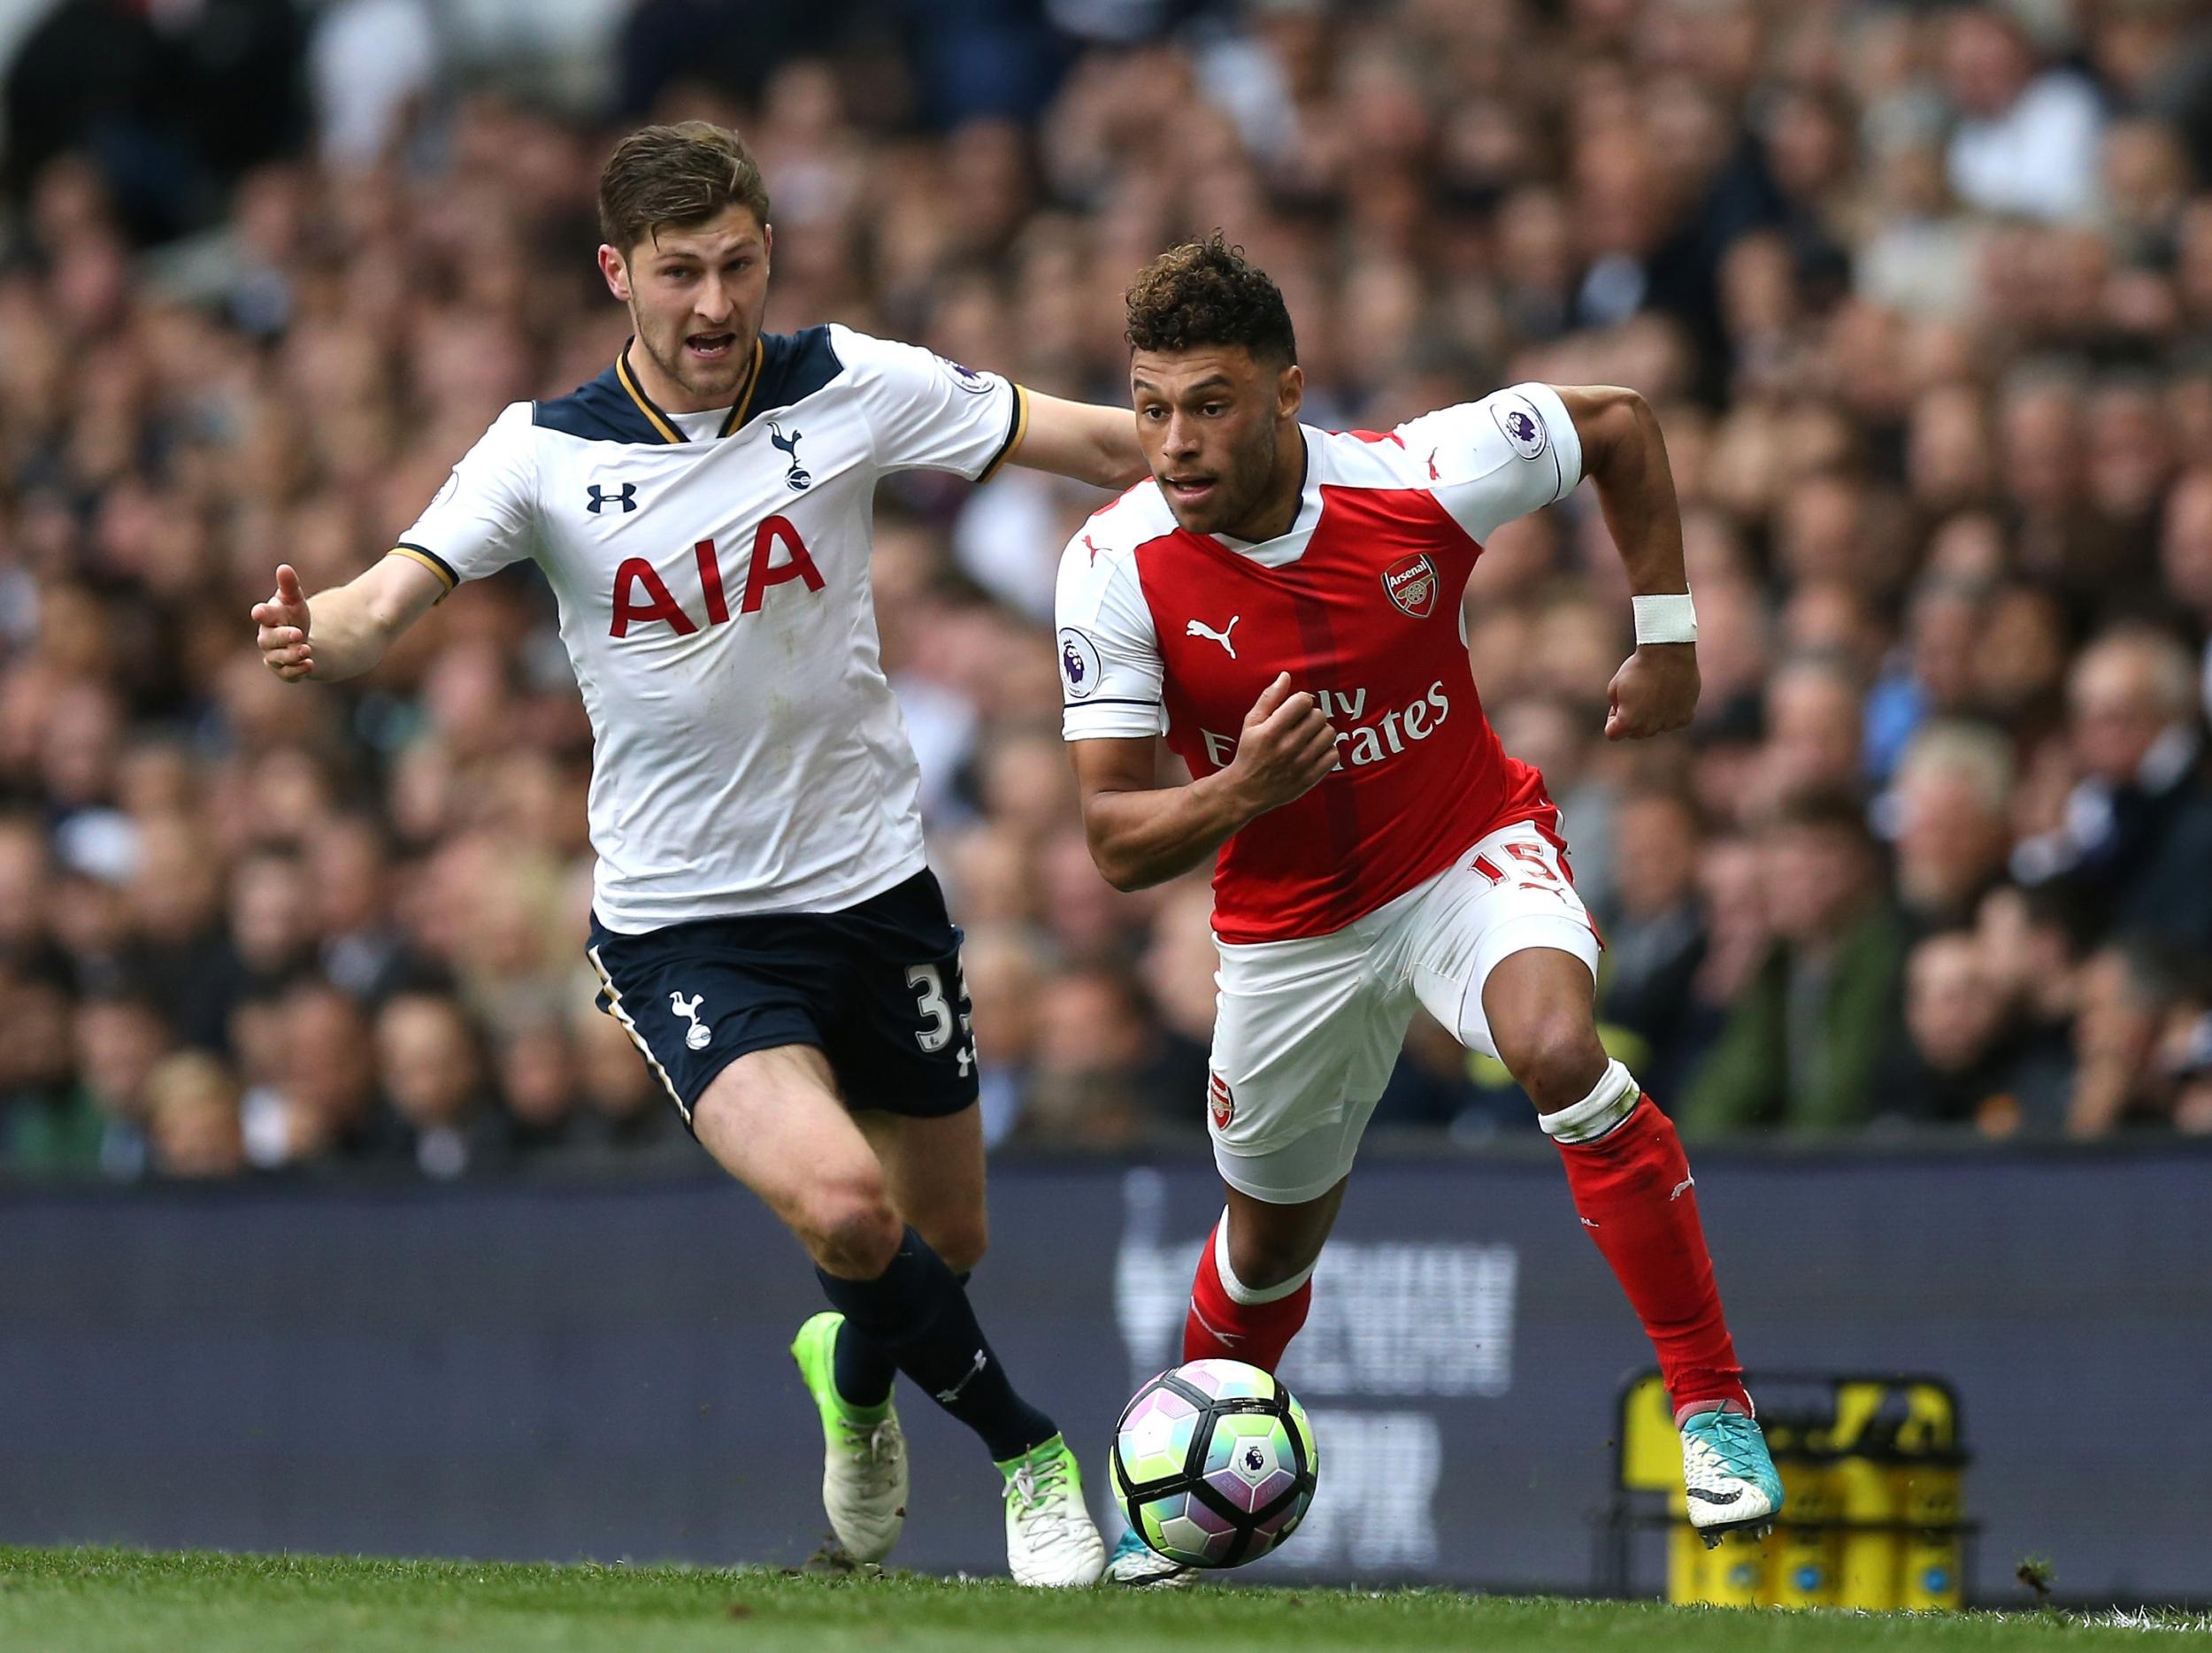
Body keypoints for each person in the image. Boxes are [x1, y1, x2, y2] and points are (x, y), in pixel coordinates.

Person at [250, 121, 1141, 1587]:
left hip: (875, 887)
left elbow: (1091, 438)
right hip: (688, 925)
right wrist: (328, 629)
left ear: (768, 254)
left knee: (943, 1242)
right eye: (679, 275)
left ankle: (854, 1386)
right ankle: (1034, 1459)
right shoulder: (540, 453)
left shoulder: (851, 384)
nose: (715, 305)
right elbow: (391, 590)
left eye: (737, 266)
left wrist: (1235, 457)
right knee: (849, 1208)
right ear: (618, 275)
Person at [1054, 236, 1782, 1585]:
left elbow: (1620, 424)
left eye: (1208, 402)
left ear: (1286, 391)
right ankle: (1182, 1505)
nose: (1174, 442)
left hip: (1465, 853)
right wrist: (1241, 791)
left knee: (1562, 1054)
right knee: (1269, 1236)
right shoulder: (1115, 566)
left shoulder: (1419, 475)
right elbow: (1112, 837)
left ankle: (1715, 1410)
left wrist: (1669, 633)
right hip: (1286, 932)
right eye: (1150, 407)